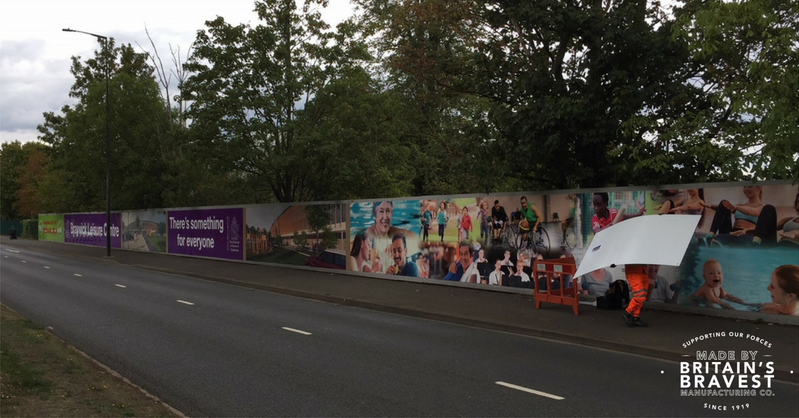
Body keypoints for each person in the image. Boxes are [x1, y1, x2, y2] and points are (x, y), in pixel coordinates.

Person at [703, 185, 778, 246]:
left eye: (750, 186)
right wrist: (712, 206)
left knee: (769, 207)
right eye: (744, 187)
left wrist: (736, 207)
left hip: (748, 234)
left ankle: (755, 243)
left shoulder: (763, 208)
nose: (746, 189)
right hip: (732, 232)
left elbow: (751, 211)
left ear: (758, 187)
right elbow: (725, 209)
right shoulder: (740, 205)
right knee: (723, 202)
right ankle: (710, 235)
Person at [366, 201, 419, 273]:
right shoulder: (370, 232)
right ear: (375, 215)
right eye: (381, 211)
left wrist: (394, 245)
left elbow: (415, 237)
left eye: (388, 211)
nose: (385, 217)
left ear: (391, 213)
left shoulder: (392, 232)